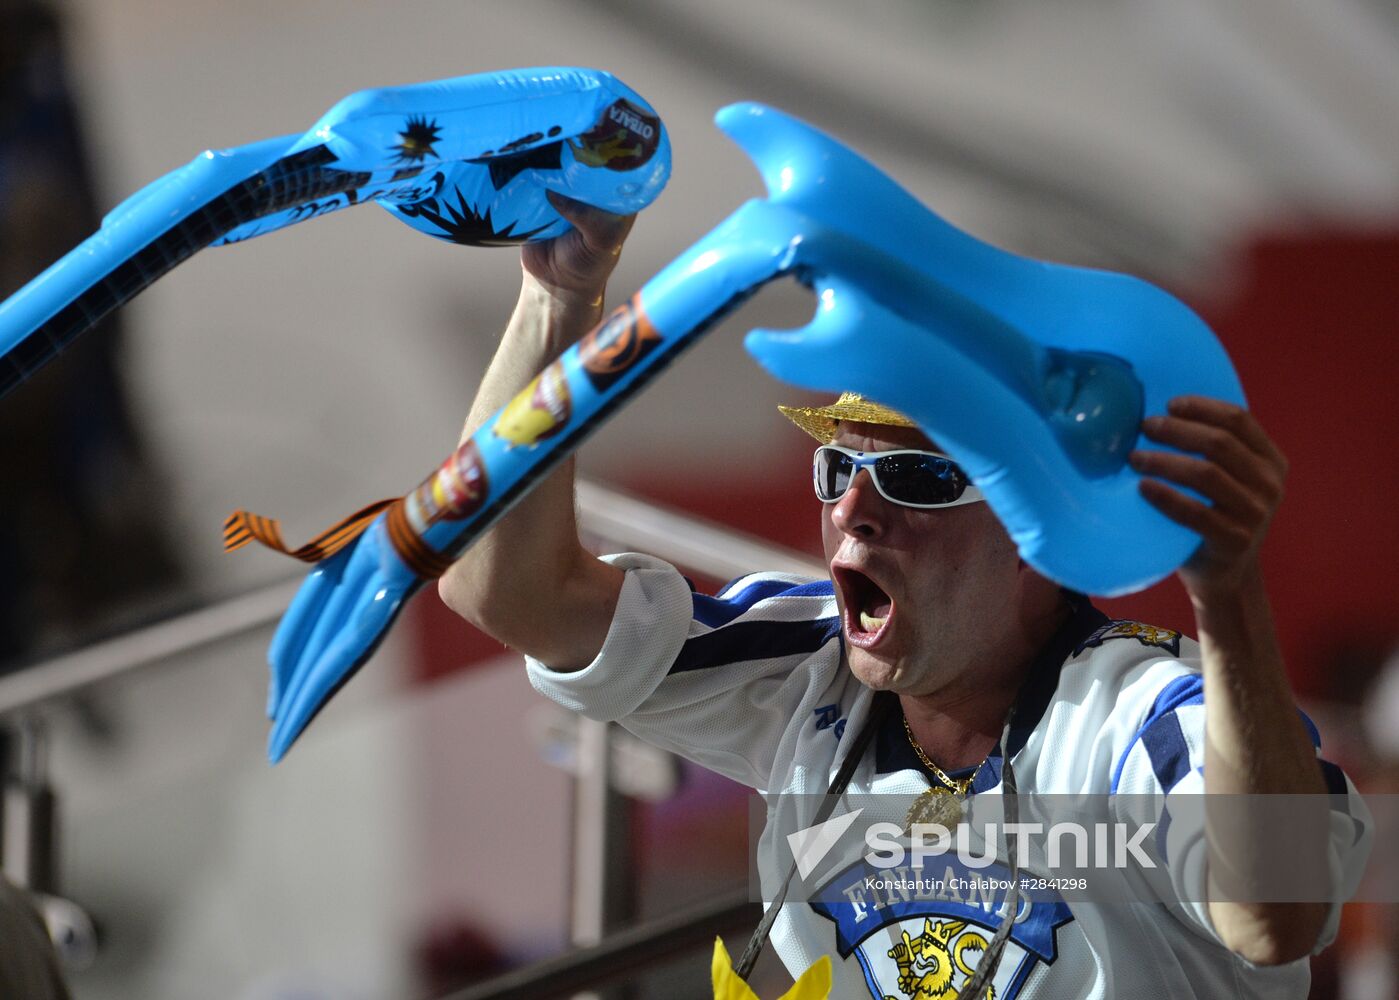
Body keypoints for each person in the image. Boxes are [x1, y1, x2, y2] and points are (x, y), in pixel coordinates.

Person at [438, 197, 1371, 997]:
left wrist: (1230, 592)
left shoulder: (1145, 714)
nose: (850, 509)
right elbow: (500, 588)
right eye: (835, 466)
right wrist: (555, 301)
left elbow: (1273, 917)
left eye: (917, 480)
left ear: (1036, 534)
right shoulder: (802, 669)